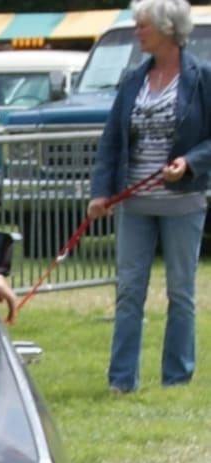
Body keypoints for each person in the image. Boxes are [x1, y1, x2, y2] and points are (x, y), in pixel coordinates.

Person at [87, 0, 211, 393]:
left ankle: (176, 378)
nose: (137, 31)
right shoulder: (132, 80)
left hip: (182, 202)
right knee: (128, 291)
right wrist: (100, 192)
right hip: (134, 204)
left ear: (166, 29)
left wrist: (189, 162)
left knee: (180, 291)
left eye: (142, 26)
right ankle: (121, 380)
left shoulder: (203, 78)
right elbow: (110, 142)